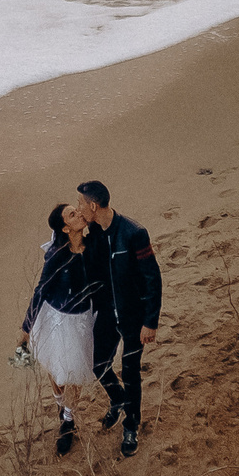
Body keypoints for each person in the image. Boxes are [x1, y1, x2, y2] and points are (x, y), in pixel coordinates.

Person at [74, 179, 162, 457]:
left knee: (131, 370)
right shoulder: (96, 234)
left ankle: (131, 425)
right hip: (106, 314)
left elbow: (152, 279)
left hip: (133, 316)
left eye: (80, 204)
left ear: (93, 205)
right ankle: (118, 399)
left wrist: (151, 322)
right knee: (98, 364)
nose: (78, 209)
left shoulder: (134, 233)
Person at [19, 202, 99, 454]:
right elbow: (41, 289)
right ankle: (58, 401)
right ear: (65, 228)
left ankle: (68, 420)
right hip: (56, 318)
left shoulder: (93, 245)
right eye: (72, 215)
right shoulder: (56, 254)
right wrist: (26, 327)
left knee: (74, 372)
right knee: (56, 370)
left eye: (77, 210)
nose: (79, 214)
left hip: (82, 319)